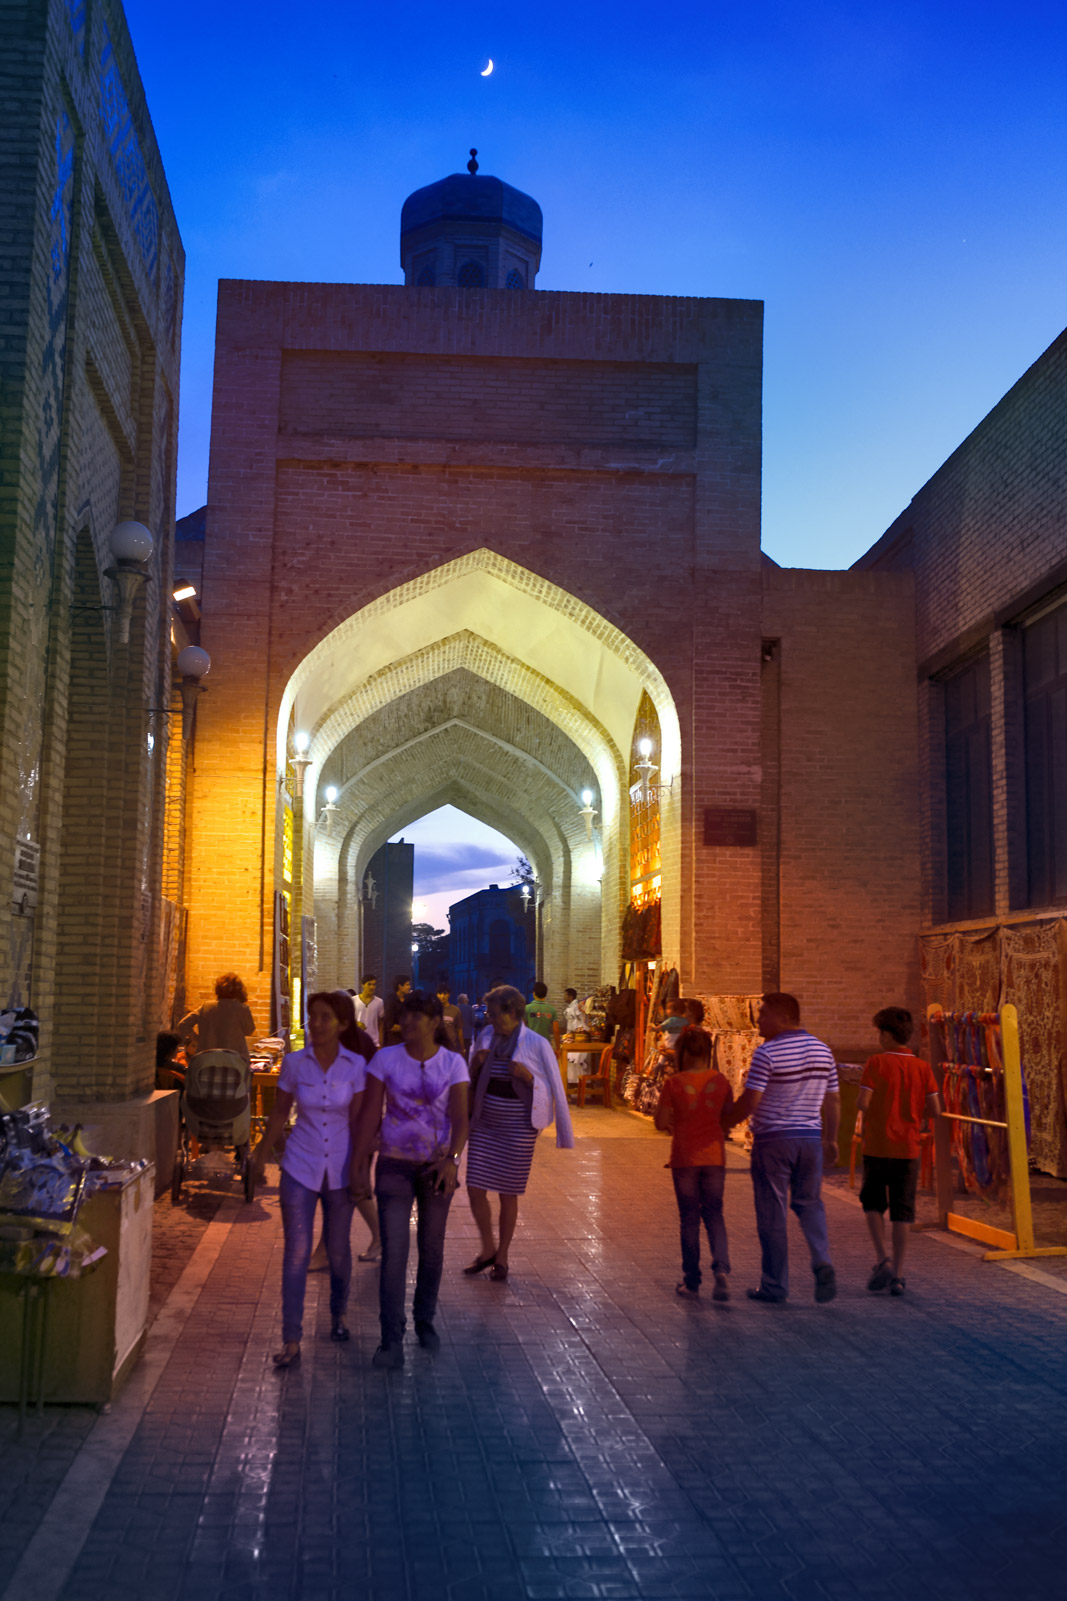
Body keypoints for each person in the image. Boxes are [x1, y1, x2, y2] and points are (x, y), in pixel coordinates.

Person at [349, 991, 470, 1370]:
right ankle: (390, 1338)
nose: (410, 1022)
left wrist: (453, 1161)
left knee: (431, 1249)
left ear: (435, 1023)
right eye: (406, 1015)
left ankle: (424, 1319)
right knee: (395, 1253)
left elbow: (462, 1119)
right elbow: (370, 1115)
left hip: (437, 1169)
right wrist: (358, 1164)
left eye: (418, 1016)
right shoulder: (385, 1059)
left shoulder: (452, 1064)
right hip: (394, 1167)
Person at [251, 991, 369, 1367]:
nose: (315, 1024)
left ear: (342, 1024)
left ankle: (339, 1315)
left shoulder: (355, 1066)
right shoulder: (294, 1063)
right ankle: (291, 1338)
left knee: (338, 1249)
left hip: (340, 1168)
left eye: (324, 1017)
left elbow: (359, 1123)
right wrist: (259, 1155)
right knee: (297, 1252)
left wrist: (360, 1169)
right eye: (312, 1016)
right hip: (300, 1165)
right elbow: (279, 1113)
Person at [728, 992, 840, 1305]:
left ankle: (775, 1285)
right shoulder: (823, 1050)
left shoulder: (767, 1052)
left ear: (785, 1018)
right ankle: (822, 1259)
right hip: (810, 1140)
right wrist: (831, 1139)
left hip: (773, 1142)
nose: (758, 1020)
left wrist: (723, 1122)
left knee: (772, 1213)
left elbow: (751, 1100)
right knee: (810, 1203)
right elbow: (833, 1100)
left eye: (764, 1014)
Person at [464, 985, 574, 1280]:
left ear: (512, 1012)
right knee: (474, 1186)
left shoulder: (537, 1044)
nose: (490, 1019)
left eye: (494, 1014)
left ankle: (502, 1256)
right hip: (485, 1124)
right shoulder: (487, 1036)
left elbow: (553, 1086)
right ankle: (487, 1247)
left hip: (518, 1129)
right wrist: (476, 1063)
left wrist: (529, 1078)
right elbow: (471, 1076)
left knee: (508, 1193)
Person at [857, 1006, 941, 1296]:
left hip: (877, 1145)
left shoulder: (876, 1063)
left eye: (879, 1032)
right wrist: (914, 1115)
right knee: (903, 1211)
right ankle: (899, 1276)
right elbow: (935, 1109)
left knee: (873, 1203)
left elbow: (863, 1102)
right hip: (908, 1148)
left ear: (886, 1034)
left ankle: (883, 1259)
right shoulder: (923, 1067)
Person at [654, 1026, 734, 1300]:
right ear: (708, 1053)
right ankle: (721, 1270)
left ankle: (692, 1281)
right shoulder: (721, 1081)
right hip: (714, 1157)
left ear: (683, 1053)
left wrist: (675, 1122)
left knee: (689, 1220)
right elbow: (728, 1117)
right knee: (714, 1215)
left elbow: (660, 1122)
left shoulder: (674, 1083)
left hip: (685, 1158)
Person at [177, 973, 256, 1061]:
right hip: (234, 1059)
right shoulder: (242, 1009)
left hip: (207, 1058)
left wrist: (199, 1039)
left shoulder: (206, 1007)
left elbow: (183, 1024)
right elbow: (249, 1030)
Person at [525, 982, 560, 1049]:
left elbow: (522, 1027)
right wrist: (558, 1048)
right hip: (546, 1044)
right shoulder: (551, 1010)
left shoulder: (527, 1008)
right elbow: (556, 1031)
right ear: (545, 994)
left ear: (534, 993)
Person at [353, 973, 385, 1046]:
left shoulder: (379, 1002)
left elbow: (381, 1023)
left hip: (373, 1042)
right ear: (363, 985)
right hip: (357, 1040)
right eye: (369, 984)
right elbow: (347, 1019)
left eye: (374, 984)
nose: (372, 987)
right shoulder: (353, 1000)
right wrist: (356, 1023)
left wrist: (380, 1042)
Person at [381, 974, 412, 1046]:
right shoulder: (391, 1001)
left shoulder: (408, 1000)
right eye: (407, 985)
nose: (409, 987)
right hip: (394, 1042)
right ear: (400, 986)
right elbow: (390, 1026)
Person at [435, 983, 465, 1055]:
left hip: (451, 1049)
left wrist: (462, 1048)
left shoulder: (455, 1010)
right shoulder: (433, 1010)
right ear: (437, 995)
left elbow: (459, 1031)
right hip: (436, 1049)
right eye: (440, 993)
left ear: (449, 994)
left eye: (445, 994)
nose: (442, 996)